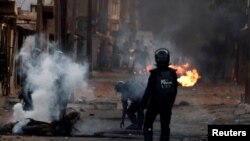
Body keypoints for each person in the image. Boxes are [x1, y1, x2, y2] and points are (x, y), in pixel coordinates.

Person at [141, 48, 178, 141]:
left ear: (156, 59)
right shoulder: (173, 73)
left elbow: (148, 91)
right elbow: (174, 91)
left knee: (148, 125)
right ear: (167, 58)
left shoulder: (154, 74)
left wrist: (143, 105)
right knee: (165, 127)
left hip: (154, 104)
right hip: (167, 105)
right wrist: (170, 104)